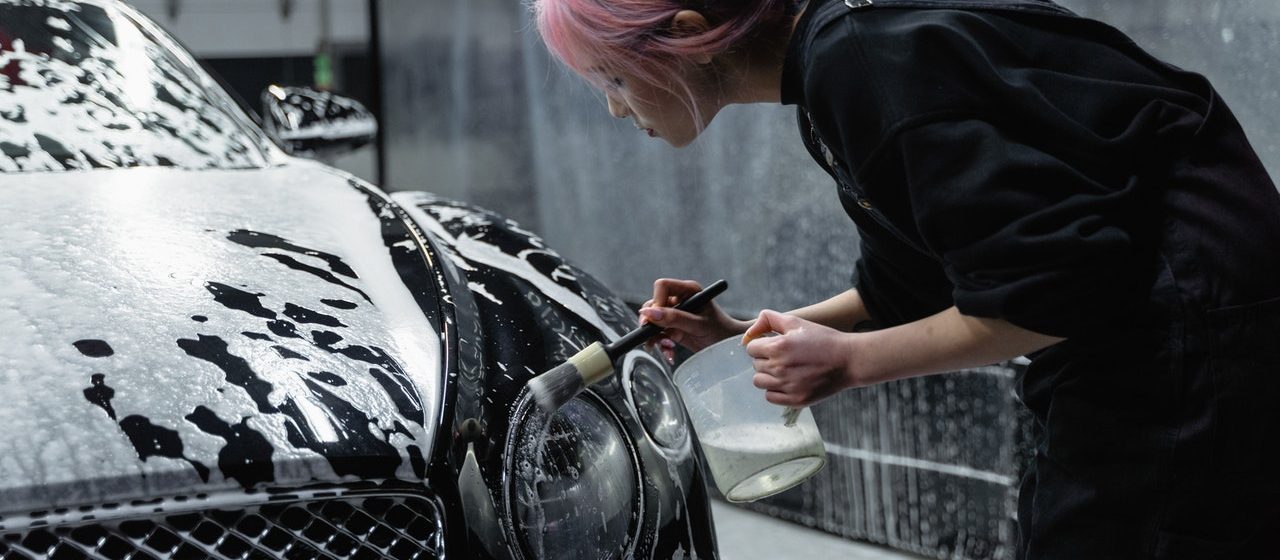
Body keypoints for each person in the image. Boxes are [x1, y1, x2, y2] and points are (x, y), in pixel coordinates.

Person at [530, 0, 1280, 557]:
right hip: (1154, 313)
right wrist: (743, 334)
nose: (615, 107)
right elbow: (914, 284)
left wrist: (851, 363)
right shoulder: (839, 53)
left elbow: (1054, 289)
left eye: (614, 77)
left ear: (688, 36)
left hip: (1191, 317)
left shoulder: (859, 61)